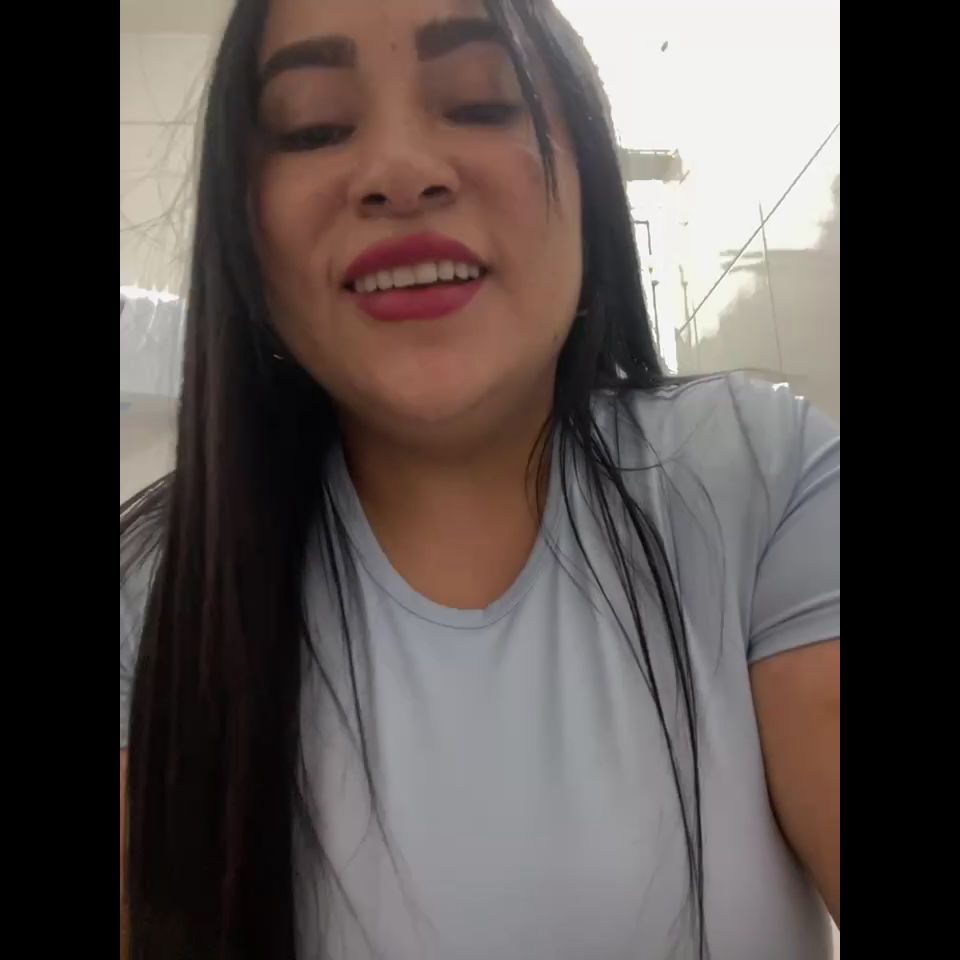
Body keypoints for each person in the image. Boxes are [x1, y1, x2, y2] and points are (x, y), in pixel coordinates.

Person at [119, 1, 840, 957]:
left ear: (587, 172)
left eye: (480, 102)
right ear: (243, 229)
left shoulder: (763, 476)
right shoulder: (151, 595)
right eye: (315, 127)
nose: (399, 170)